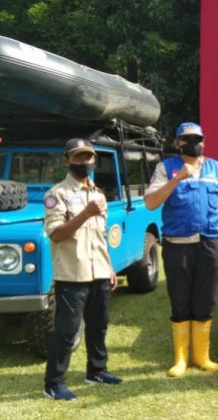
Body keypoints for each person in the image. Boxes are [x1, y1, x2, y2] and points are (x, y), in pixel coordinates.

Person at [144, 122, 218, 377]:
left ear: (204, 142)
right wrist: (177, 179)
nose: (192, 143)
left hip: (209, 242)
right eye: (186, 139)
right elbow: (151, 202)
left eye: (197, 138)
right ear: (176, 144)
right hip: (177, 246)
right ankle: (181, 359)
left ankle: (202, 356)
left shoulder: (214, 167)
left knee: (206, 298)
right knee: (180, 299)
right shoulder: (165, 168)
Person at [43, 138, 121, 401]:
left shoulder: (98, 195)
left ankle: (96, 370)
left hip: (99, 271)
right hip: (72, 274)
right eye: (77, 157)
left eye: (88, 157)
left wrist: (109, 268)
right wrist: (85, 214)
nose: (84, 162)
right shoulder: (56, 195)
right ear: (66, 161)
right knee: (66, 330)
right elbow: (56, 234)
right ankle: (53, 383)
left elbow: (99, 236)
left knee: (99, 325)